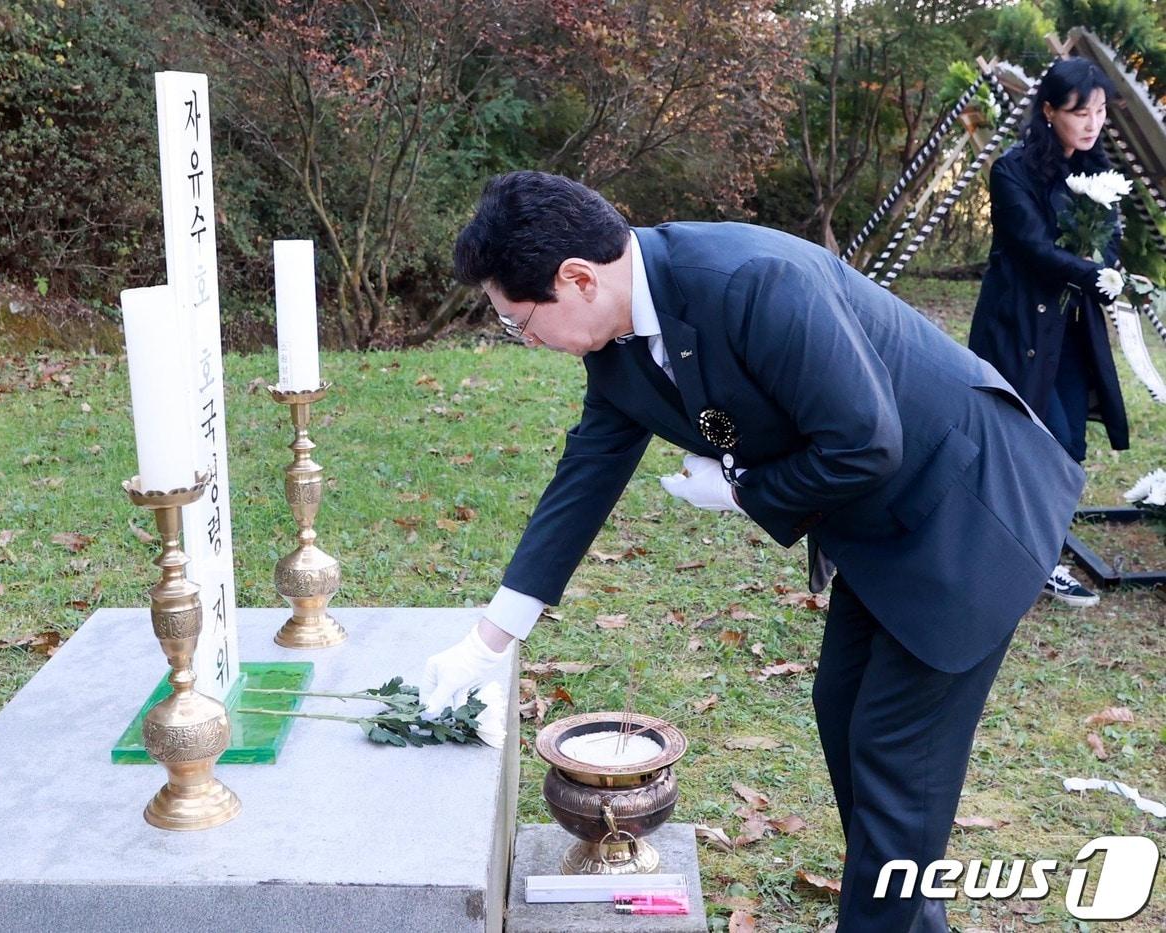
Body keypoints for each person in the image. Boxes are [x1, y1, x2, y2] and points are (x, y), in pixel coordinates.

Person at [420, 171, 1084, 932]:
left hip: (969, 510)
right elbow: (585, 477)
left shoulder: (749, 281)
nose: (524, 337)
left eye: (519, 320)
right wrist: (488, 642)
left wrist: (742, 489)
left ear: (576, 279)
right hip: (880, 525)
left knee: (896, 755)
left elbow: (866, 441)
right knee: (843, 711)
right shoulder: (621, 342)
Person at [969, 57, 1127, 609]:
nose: (1091, 123)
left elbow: (1109, 241)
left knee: (1071, 445)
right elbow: (1033, 249)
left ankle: (1037, 551)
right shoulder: (1012, 170)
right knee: (1040, 441)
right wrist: (1094, 273)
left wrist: (1110, 270)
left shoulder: (1095, 171)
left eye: (1100, 112)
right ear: (1048, 111)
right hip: (1020, 327)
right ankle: (1034, 561)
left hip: (1072, 333)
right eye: (1079, 112)